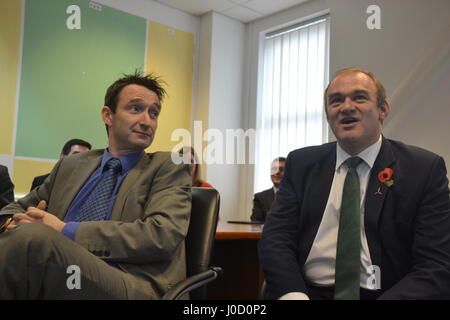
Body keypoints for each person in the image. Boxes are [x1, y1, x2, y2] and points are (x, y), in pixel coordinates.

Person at [259, 67, 450, 300]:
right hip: (306, 293)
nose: (346, 107)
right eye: (335, 101)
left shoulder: (423, 170)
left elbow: (436, 264)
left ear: (383, 109)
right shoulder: (301, 164)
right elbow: (276, 239)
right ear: (328, 113)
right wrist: (292, 293)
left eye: (359, 97)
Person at [0, 72, 191, 299]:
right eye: (135, 108)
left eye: (154, 113)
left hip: (128, 280)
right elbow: (13, 209)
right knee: (29, 238)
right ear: (108, 115)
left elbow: (161, 235)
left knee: (34, 239)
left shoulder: (168, 166)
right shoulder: (71, 165)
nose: (146, 121)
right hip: (58, 269)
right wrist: (14, 222)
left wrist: (63, 230)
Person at [251, 157, 286, 222]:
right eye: (274, 169)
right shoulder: (260, 197)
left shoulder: (298, 196)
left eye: (281, 169)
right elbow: (255, 223)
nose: (277, 172)